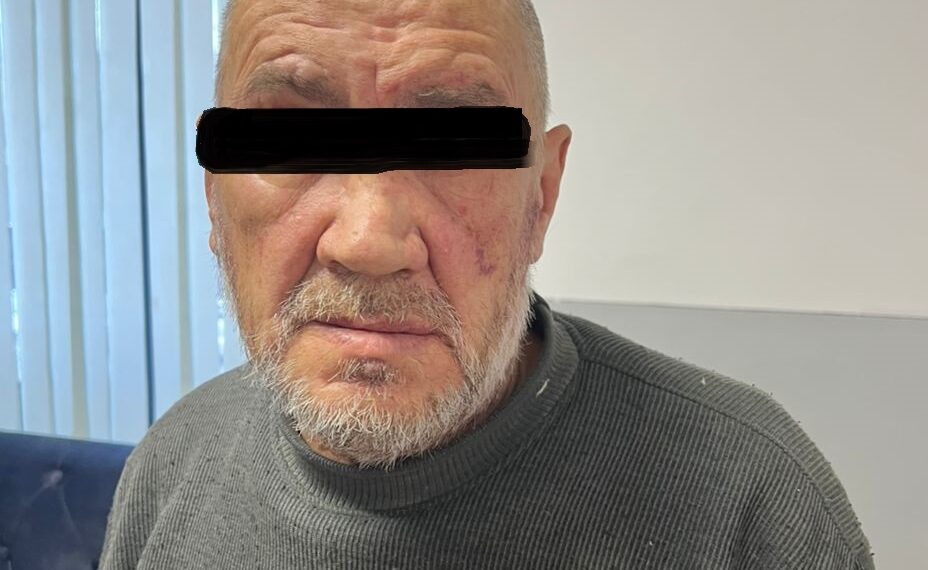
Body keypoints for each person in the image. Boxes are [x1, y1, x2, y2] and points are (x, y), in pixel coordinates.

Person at [100, 0, 875, 568]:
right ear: (215, 194)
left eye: (451, 148)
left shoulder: (750, 506)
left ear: (543, 196)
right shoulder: (172, 468)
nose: (368, 241)